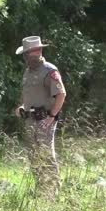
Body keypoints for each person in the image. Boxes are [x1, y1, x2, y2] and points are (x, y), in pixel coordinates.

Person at [14, 36, 66, 199]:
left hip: (44, 121)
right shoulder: (28, 71)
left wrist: (52, 116)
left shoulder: (50, 71)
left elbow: (61, 94)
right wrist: (23, 107)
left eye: (28, 54)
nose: (26, 58)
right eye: (25, 54)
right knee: (33, 156)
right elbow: (30, 95)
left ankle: (52, 192)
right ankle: (41, 189)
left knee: (46, 155)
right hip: (29, 120)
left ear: (37, 51)